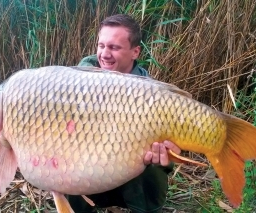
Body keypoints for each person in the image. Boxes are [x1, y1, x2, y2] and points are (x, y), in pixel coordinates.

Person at [67, 14, 181, 213]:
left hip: (130, 177)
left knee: (153, 164)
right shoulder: (78, 81)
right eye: (101, 46)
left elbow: (174, 151)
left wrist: (170, 155)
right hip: (89, 173)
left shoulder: (152, 96)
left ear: (135, 52)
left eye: (114, 47)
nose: (104, 54)